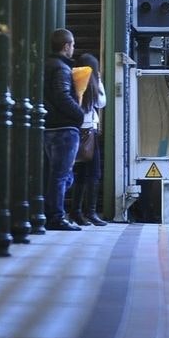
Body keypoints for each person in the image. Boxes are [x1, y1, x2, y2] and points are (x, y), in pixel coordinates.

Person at [43, 28, 84, 231]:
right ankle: (56, 216)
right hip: (64, 128)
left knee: (56, 175)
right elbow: (62, 95)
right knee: (62, 175)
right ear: (66, 46)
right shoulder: (61, 68)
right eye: (73, 44)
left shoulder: (47, 65)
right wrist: (79, 114)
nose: (73, 48)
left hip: (49, 127)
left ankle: (49, 212)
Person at [68, 53, 107, 226]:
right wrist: (98, 80)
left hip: (76, 130)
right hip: (88, 132)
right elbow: (101, 103)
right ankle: (90, 212)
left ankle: (76, 212)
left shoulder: (72, 77)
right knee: (94, 173)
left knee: (80, 174)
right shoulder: (90, 83)